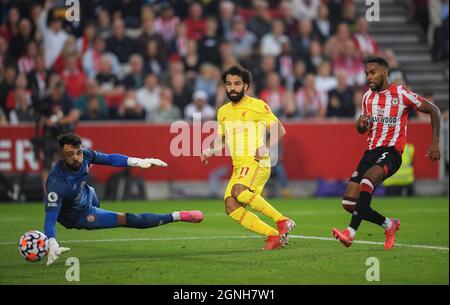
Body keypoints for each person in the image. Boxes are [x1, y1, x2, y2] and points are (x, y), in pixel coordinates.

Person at [44, 133, 204, 266]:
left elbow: (110, 159)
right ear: (61, 157)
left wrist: (139, 162)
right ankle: (177, 216)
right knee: (126, 219)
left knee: (91, 191)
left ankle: (95, 205)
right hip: (77, 216)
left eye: (78, 152)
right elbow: (50, 218)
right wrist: (52, 241)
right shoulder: (56, 183)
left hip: (87, 195)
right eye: (69, 155)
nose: (76, 158)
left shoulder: (86, 156)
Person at [332, 57, 441, 250]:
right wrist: (360, 126)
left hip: (391, 152)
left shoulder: (401, 94)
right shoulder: (367, 97)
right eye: (366, 73)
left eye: (372, 72)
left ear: (384, 72)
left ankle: (350, 233)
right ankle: (389, 225)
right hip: (370, 152)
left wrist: (435, 142)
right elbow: (363, 127)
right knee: (349, 203)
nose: (368, 77)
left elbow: (434, 110)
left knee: (366, 182)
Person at [200, 65, 295, 250]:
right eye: (228, 84)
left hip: (256, 161)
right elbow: (222, 140)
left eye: (237, 84)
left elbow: (280, 129)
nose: (232, 88)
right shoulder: (223, 111)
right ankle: (274, 236)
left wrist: (265, 147)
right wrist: (209, 151)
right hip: (239, 166)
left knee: (238, 190)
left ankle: (282, 220)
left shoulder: (257, 105)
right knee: (231, 206)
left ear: (245, 86)